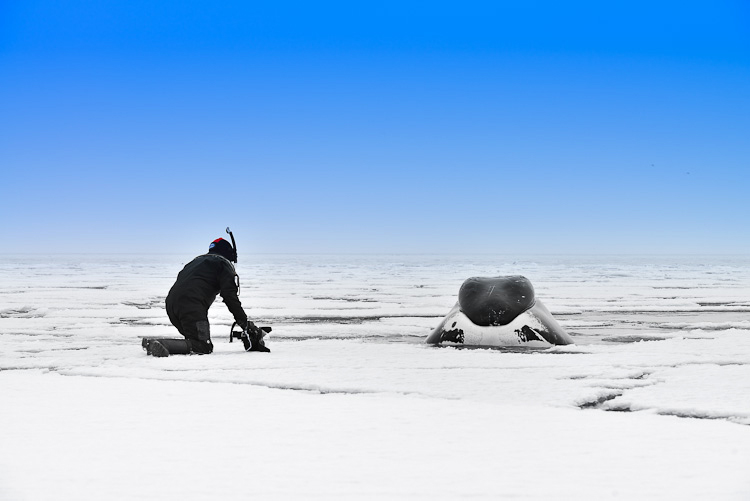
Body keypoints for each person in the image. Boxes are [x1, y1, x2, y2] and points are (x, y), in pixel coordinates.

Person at [142, 237, 270, 357]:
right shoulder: (223, 264)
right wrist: (245, 324)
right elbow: (230, 297)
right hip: (191, 306)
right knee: (203, 346)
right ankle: (161, 344)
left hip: (171, 305)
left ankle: (154, 344)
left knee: (194, 340)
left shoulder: (195, 262)